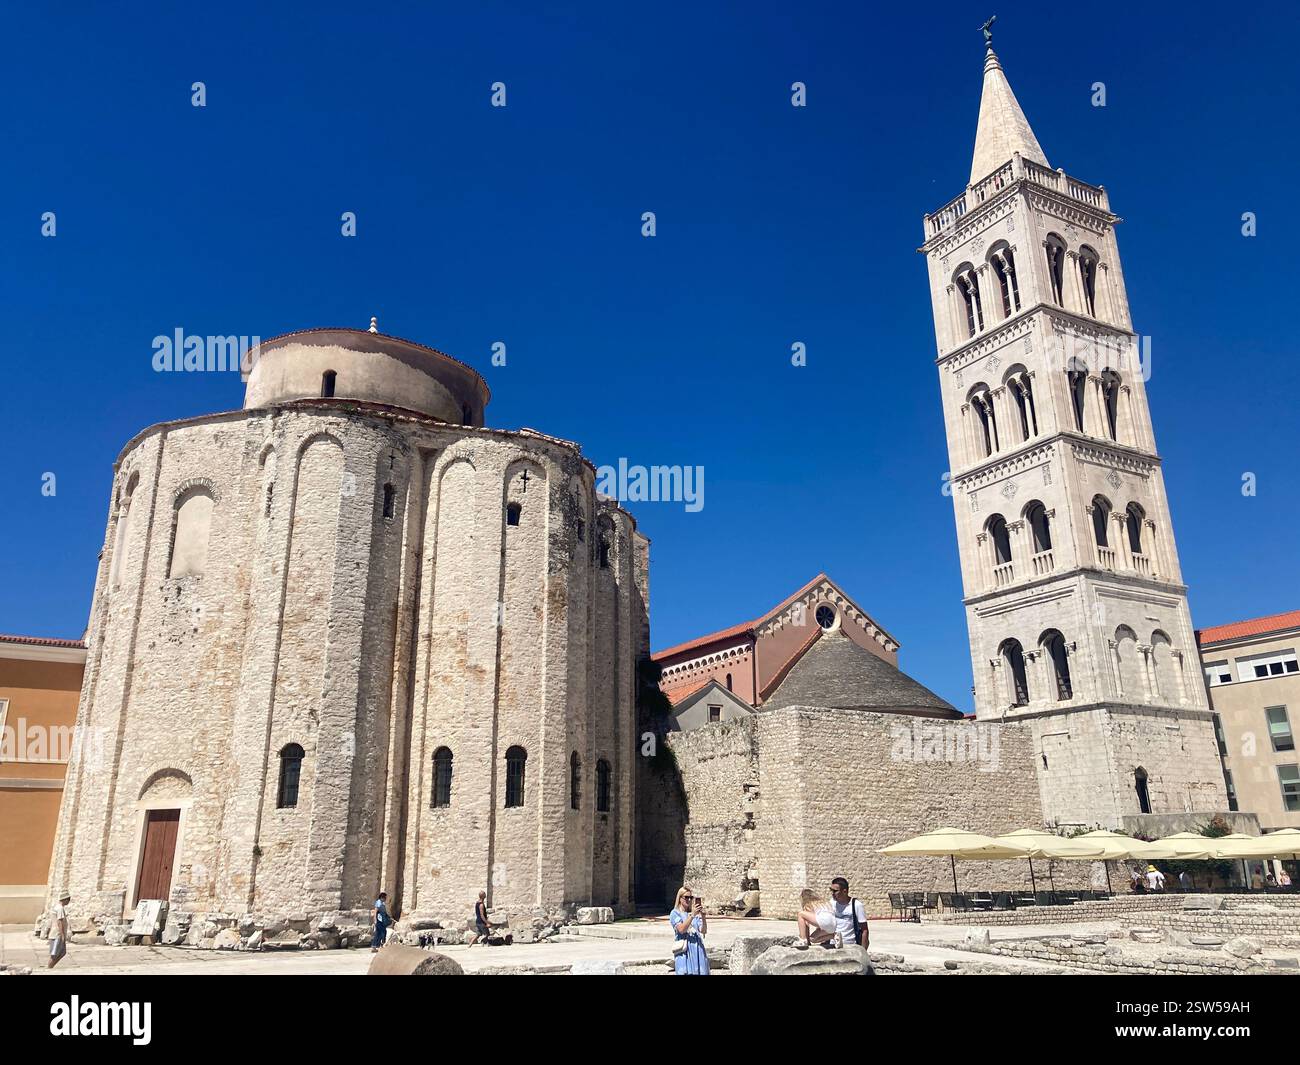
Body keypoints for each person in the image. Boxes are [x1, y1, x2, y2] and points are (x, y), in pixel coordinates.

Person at [669, 886, 709, 975]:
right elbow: (681, 929)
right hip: (684, 950)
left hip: (697, 948)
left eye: (691, 897)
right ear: (680, 898)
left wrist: (703, 917)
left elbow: (703, 930)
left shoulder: (692, 913)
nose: (689, 900)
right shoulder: (675, 913)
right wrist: (692, 916)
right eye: (686, 897)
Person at [828, 877, 869, 949]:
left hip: (850, 945)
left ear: (844, 891)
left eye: (835, 891)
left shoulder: (856, 905)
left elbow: (864, 930)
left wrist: (863, 950)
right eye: (831, 890)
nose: (833, 893)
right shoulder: (832, 903)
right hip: (833, 944)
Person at [48, 890, 71, 969]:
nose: (68, 901)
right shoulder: (60, 908)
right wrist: (62, 935)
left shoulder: (56, 907)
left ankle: (51, 966)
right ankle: (49, 967)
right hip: (57, 934)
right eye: (68, 899)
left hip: (55, 933)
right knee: (55, 954)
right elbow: (59, 922)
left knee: (62, 952)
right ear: (65, 899)